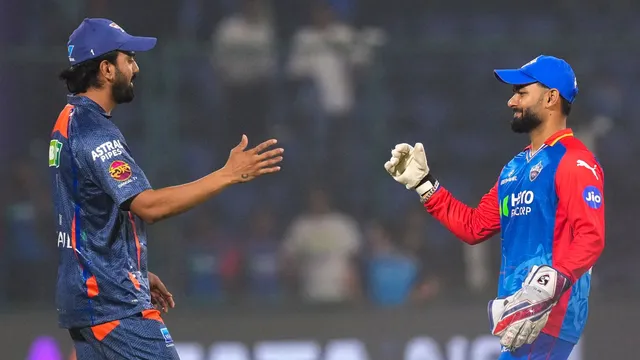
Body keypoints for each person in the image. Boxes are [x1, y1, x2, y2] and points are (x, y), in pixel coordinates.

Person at [50, 18, 283, 360]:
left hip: (94, 296)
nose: (136, 67)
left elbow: (87, 214)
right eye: (128, 58)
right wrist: (227, 174)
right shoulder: (94, 131)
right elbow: (149, 207)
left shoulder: (69, 120)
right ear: (106, 69)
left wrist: (132, 267)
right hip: (113, 305)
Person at [384, 55, 605, 360]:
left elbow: (591, 237)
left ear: (551, 97)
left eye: (522, 92)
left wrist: (547, 287)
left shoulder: (575, 161)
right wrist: (424, 184)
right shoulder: (514, 168)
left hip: (548, 317)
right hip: (519, 318)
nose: (511, 102)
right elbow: (474, 227)